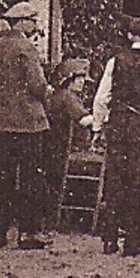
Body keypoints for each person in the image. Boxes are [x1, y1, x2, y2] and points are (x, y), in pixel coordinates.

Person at [91, 17, 140, 256]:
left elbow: (101, 98)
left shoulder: (115, 62)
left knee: (115, 181)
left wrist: (97, 127)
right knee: (137, 183)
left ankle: (110, 240)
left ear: (129, 36)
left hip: (118, 125)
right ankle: (133, 242)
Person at [0, 1, 51, 249]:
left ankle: (0, 232)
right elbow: (36, 85)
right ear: (21, 22)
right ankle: (28, 233)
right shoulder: (26, 48)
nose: (35, 25)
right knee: (30, 177)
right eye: (32, 20)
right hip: (27, 122)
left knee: (3, 177)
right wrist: (48, 93)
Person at [42, 60, 90, 228]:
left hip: (52, 146)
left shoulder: (57, 95)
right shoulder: (67, 97)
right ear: (68, 79)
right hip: (62, 147)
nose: (82, 82)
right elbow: (84, 120)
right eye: (79, 78)